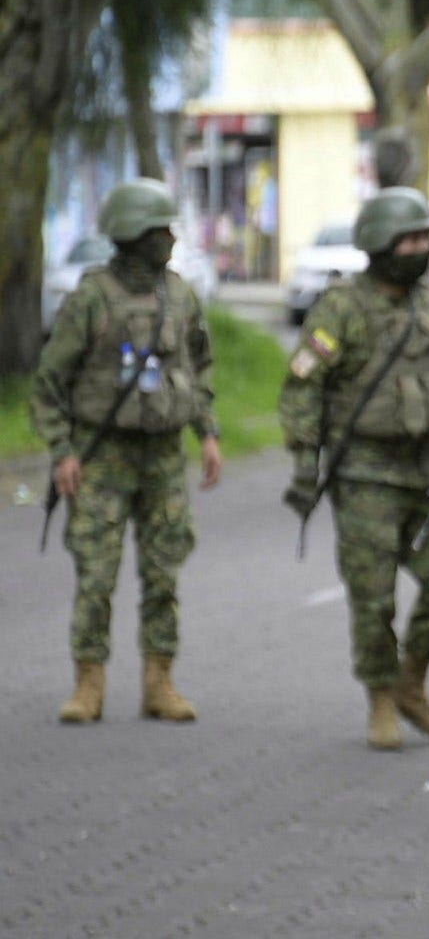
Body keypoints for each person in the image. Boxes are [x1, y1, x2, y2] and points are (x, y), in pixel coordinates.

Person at [279, 187, 429, 751]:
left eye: (426, 238)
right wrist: (302, 463)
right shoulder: (342, 307)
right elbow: (301, 387)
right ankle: (381, 700)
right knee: (373, 596)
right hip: (365, 473)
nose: (421, 249)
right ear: (380, 244)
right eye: (410, 239)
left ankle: (412, 679)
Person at [33, 178, 222, 724]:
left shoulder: (180, 295)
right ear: (134, 236)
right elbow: (50, 382)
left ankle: (158, 682)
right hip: (102, 456)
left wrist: (207, 433)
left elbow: (198, 367)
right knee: (97, 572)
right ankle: (87, 684)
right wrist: (63, 450)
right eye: (159, 230)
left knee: (164, 571)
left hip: (163, 455)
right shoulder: (92, 298)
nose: (168, 239)